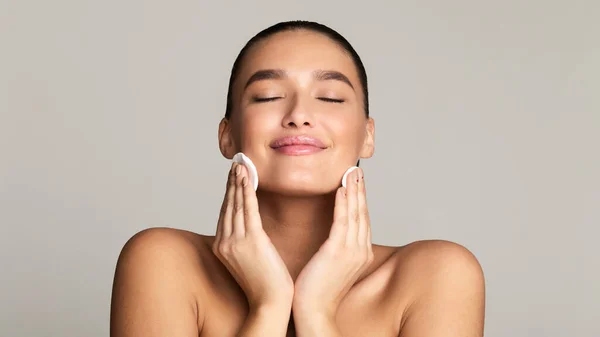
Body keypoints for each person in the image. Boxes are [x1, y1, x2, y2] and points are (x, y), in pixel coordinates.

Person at [110, 20, 485, 337]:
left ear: (368, 135)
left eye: (331, 98)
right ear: (227, 135)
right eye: (268, 96)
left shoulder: (436, 276)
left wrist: (316, 311)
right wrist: (269, 306)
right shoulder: (163, 262)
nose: (299, 115)